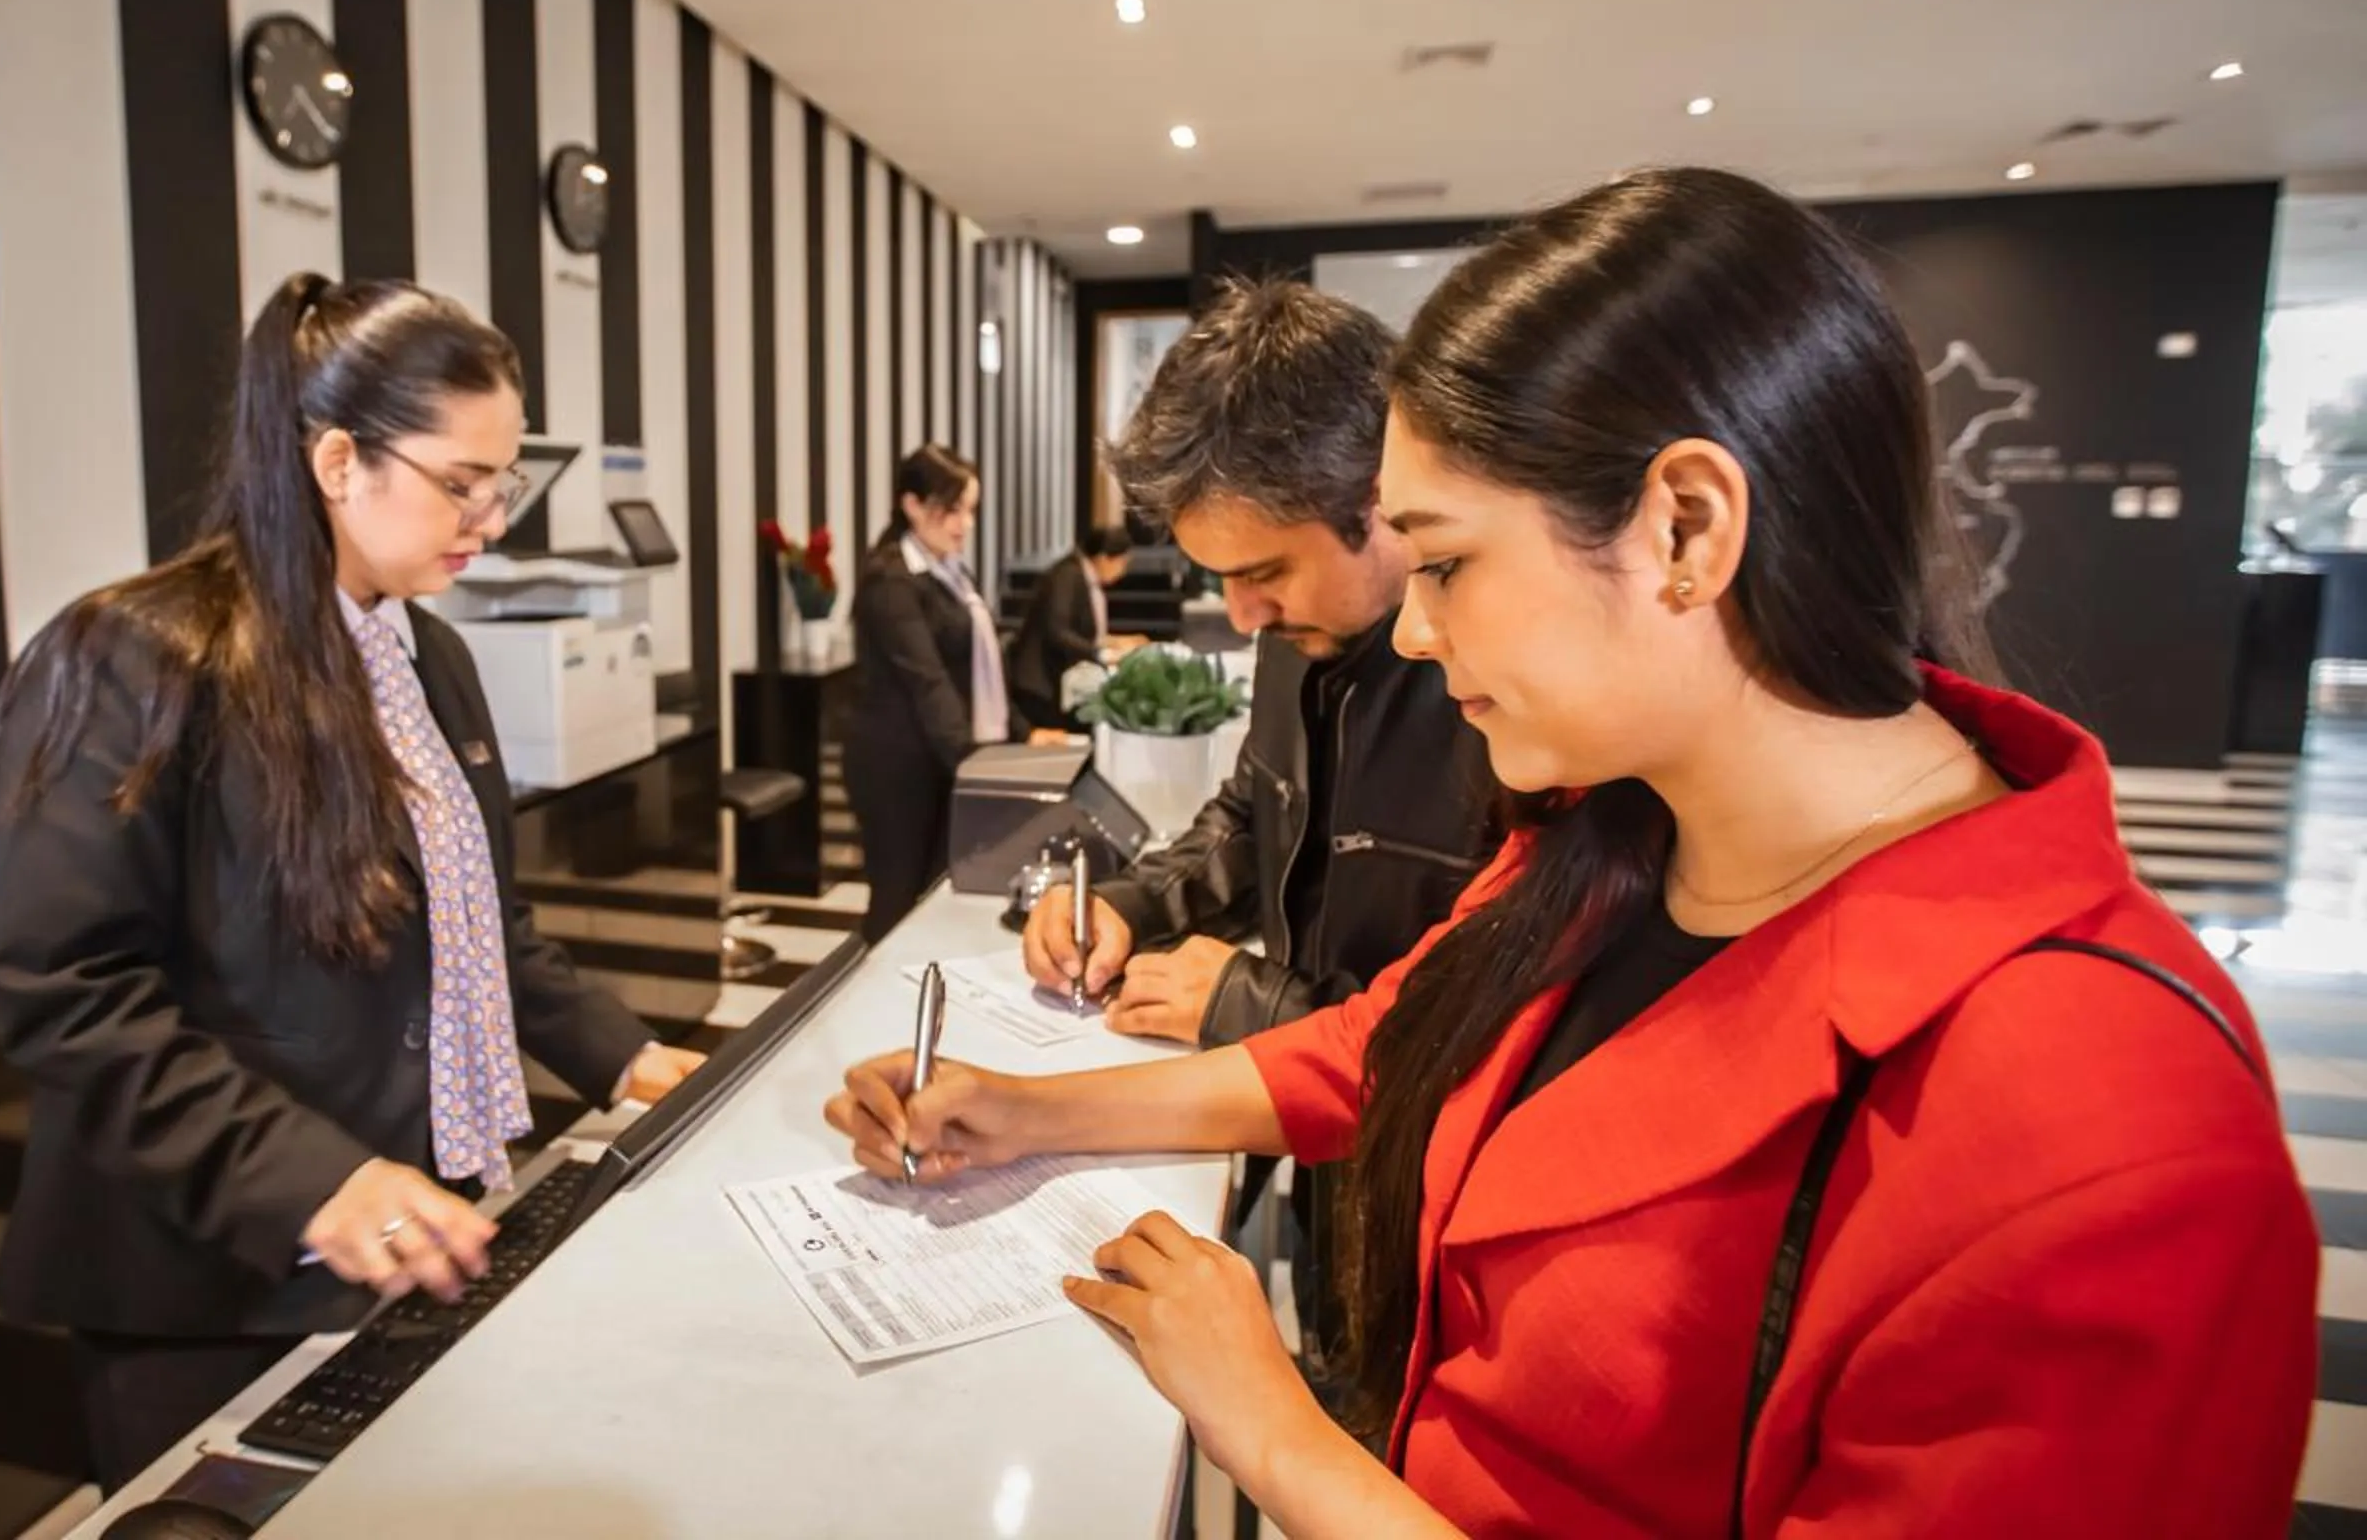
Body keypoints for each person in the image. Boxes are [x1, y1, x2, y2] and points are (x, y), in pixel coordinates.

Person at [832, 170, 2314, 1536]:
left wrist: (1282, 1436)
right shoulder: (1609, 840)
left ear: (1683, 527)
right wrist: (1022, 1110)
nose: (1413, 628)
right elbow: (1381, 1051)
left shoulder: (2110, 1129)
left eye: (1454, 563)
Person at [0, 275, 704, 1488]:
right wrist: (321, 1178)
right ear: (334, 459)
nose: (491, 517)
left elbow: (480, 925)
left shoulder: (433, 654)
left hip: (405, 1238)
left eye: (503, 482)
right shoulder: (138, 654)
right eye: (461, 482)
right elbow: (73, 998)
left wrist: (628, 1058)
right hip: (213, 1282)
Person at [1023, 281, 1493, 1047]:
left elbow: (1496, 1032)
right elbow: (1254, 814)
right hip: (1302, 1125)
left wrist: (1256, 1005)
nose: (1244, 617)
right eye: (1222, 578)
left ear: (1380, 500)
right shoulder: (1295, 638)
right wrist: (1130, 905)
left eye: (1265, 573)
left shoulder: (1500, 681)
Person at [846, 443, 1040, 935]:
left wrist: (1022, 733)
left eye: (969, 510)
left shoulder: (950, 571)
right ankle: (877, 1003)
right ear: (912, 504)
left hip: (940, 755)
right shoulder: (891, 579)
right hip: (897, 766)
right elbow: (928, 679)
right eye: (951, 509)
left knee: (936, 895)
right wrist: (977, 766)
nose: (964, 523)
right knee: (896, 898)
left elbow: (980, 666)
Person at [1005, 522, 1142, 731]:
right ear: (1104, 558)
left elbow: (1086, 632)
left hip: (1053, 681)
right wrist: (1101, 654)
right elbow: (1058, 631)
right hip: (1039, 684)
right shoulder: (1068, 575)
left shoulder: (1082, 575)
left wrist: (1121, 641)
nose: (1122, 571)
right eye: (1122, 563)